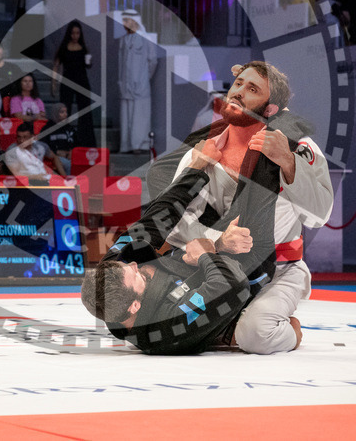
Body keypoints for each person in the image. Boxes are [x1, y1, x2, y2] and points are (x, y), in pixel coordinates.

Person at [145, 62, 333, 355]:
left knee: (256, 334)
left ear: (270, 109)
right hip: (214, 270)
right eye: (238, 84)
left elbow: (321, 215)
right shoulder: (203, 150)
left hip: (279, 271)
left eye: (253, 89)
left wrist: (288, 162)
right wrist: (217, 241)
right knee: (152, 319)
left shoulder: (298, 146)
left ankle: (287, 331)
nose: (239, 92)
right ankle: (226, 328)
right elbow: (177, 222)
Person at [81, 138, 278, 355]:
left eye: (127, 266)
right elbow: (233, 283)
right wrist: (209, 252)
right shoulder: (169, 325)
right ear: (135, 307)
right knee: (262, 161)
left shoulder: (114, 269)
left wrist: (197, 168)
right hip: (246, 267)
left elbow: (156, 219)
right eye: (135, 275)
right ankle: (281, 128)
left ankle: (236, 121)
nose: (134, 264)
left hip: (198, 254)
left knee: (167, 168)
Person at [118, 10, 157, 154]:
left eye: (127, 20)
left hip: (141, 84)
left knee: (140, 117)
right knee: (126, 116)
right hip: (125, 85)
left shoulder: (146, 38)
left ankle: (139, 145)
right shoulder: (123, 40)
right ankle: (126, 145)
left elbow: (152, 61)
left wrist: (144, 78)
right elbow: (121, 64)